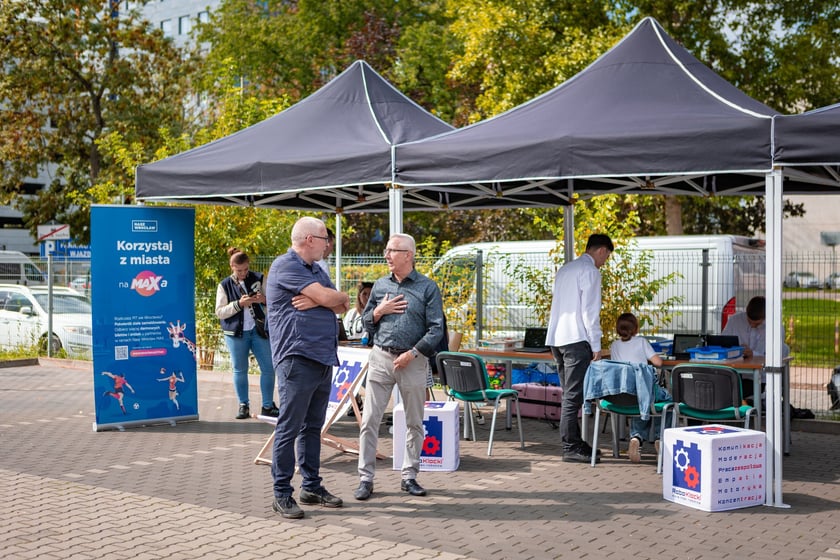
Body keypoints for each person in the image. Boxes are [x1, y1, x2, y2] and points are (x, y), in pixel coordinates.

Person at [265, 217, 350, 520]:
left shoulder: (316, 270)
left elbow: (343, 304)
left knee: (313, 427)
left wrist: (318, 301)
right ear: (309, 239)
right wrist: (324, 298)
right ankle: (281, 494)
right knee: (289, 427)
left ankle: (311, 486)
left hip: (322, 358)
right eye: (325, 238)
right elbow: (331, 298)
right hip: (297, 359)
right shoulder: (285, 265)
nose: (328, 244)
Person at [353, 233, 444, 501]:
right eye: (386, 250)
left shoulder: (427, 288)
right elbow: (366, 322)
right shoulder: (380, 285)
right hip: (381, 358)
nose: (387, 255)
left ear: (408, 255)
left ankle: (409, 476)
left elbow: (437, 329)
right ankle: (365, 479)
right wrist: (378, 312)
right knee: (369, 420)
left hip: (412, 362)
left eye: (392, 250)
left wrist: (413, 353)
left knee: (414, 422)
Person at [546, 233, 613, 463]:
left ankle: (575, 442)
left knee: (569, 395)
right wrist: (596, 345)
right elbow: (589, 312)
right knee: (573, 396)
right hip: (576, 339)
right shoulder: (590, 271)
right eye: (606, 257)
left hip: (557, 338)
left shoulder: (565, 269)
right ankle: (570, 446)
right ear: (602, 250)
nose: (604, 262)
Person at [215, 248, 277, 420]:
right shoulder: (224, 285)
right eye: (239, 270)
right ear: (232, 267)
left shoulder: (259, 278)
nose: (243, 273)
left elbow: (275, 301)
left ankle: (268, 406)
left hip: (259, 330)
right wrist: (238, 304)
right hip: (235, 333)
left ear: (249, 265)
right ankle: (243, 405)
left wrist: (264, 300)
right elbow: (219, 312)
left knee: (269, 368)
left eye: (245, 269)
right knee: (240, 370)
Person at [609, 312, 670, 463]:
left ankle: (636, 437)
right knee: (666, 401)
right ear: (636, 328)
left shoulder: (614, 345)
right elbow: (658, 363)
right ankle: (660, 437)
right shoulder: (641, 342)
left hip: (622, 395)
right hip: (643, 393)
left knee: (641, 400)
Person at [721, 295, 790, 398]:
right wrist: (736, 350)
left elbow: (773, 356)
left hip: (760, 378)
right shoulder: (735, 320)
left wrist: (753, 354)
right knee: (722, 389)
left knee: (735, 393)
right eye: (749, 322)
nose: (752, 326)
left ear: (766, 317)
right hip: (736, 374)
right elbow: (722, 343)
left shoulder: (775, 327)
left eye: (757, 324)